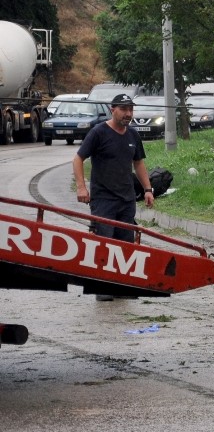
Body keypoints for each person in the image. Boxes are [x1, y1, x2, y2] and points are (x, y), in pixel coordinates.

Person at [72, 93, 156, 302]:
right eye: (124, 109)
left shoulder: (133, 135)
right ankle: (102, 287)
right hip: (103, 200)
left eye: (130, 110)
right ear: (113, 110)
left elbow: (138, 163)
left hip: (126, 199)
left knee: (125, 243)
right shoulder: (99, 132)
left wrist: (147, 189)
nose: (128, 114)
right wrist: (82, 188)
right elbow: (78, 159)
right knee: (103, 242)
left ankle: (122, 285)